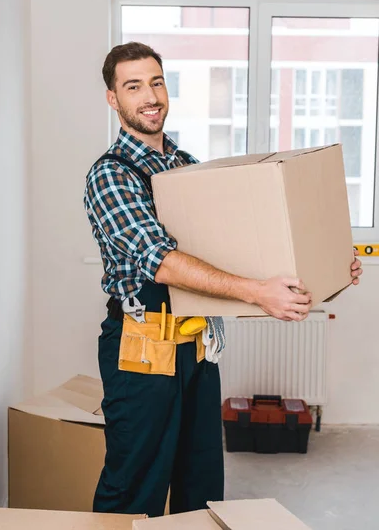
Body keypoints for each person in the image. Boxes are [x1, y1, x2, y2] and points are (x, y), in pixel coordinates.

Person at [84, 42, 363, 518]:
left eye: (156, 82)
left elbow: (225, 251)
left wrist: (326, 264)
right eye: (133, 86)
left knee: (200, 485)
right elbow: (164, 263)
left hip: (196, 350)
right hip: (143, 355)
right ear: (114, 99)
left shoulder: (182, 164)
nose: (149, 96)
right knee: (135, 486)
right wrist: (258, 293)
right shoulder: (111, 175)